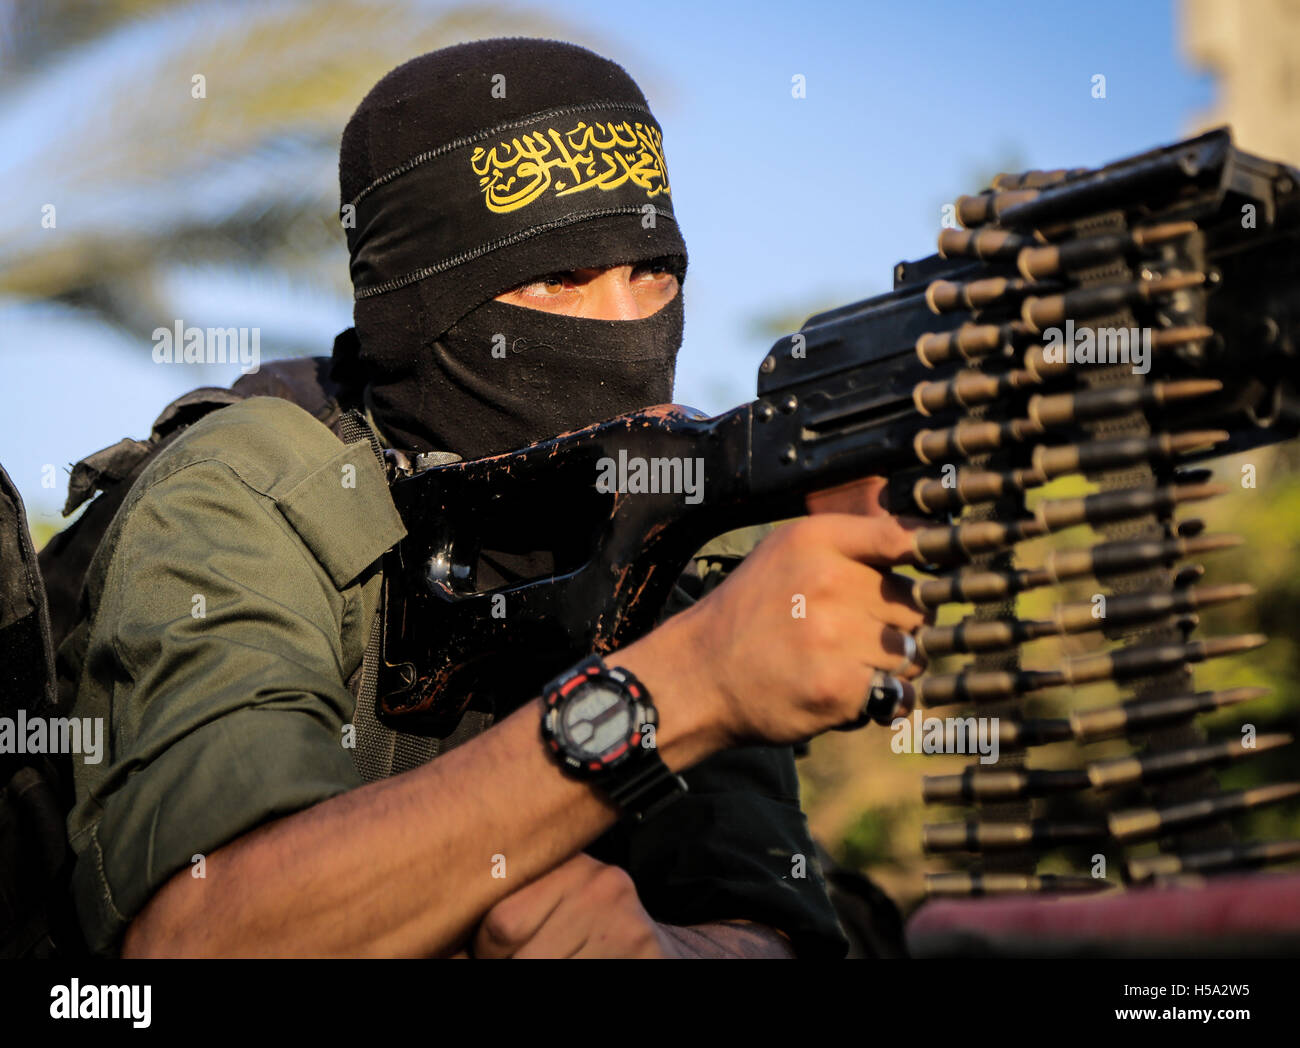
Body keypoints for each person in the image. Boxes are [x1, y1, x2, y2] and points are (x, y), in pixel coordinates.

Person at [59, 38, 927, 958]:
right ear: (415, 313)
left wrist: (664, 952)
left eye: (654, 275)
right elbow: (198, 939)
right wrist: (687, 686)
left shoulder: (654, 532)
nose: (629, 330)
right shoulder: (247, 488)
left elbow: (772, 926)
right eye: (561, 279)